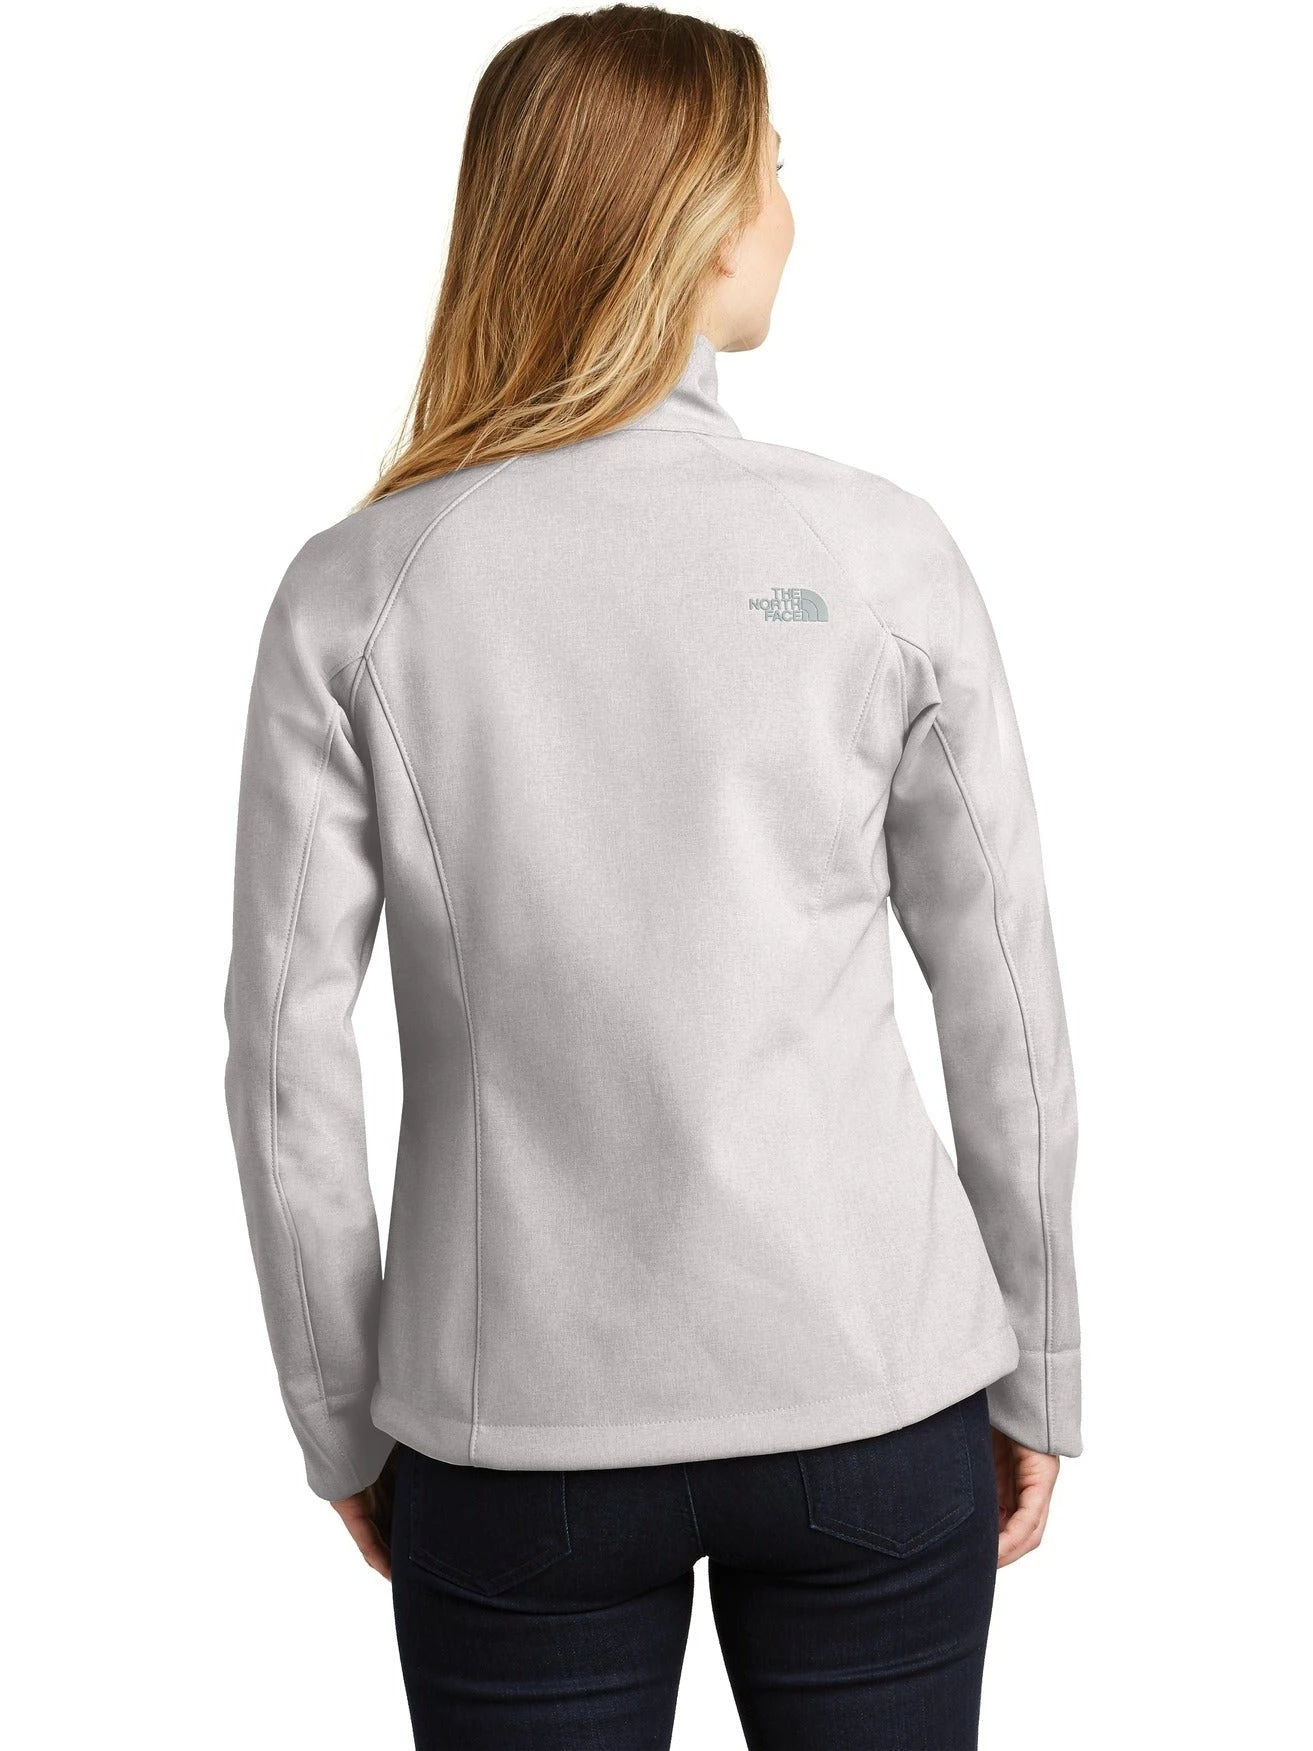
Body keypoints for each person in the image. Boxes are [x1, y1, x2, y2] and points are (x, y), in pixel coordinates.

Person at [222, 6, 1081, 1746]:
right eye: (771, 169)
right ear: (692, 218)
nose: (790, 214)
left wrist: (345, 1413)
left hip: (510, 1428)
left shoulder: (361, 587)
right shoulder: (878, 551)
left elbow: (285, 1059)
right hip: (870, 1387)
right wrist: (1043, 1358)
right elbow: (1005, 993)